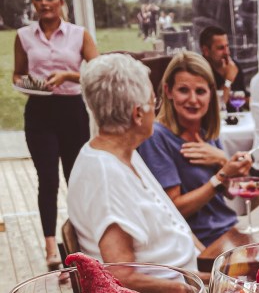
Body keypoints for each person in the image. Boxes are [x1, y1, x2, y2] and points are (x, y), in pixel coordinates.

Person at [67, 54, 198, 269]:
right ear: (138, 114)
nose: (155, 111)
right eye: (154, 103)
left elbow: (174, 224)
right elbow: (121, 272)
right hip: (173, 289)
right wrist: (195, 284)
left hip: (189, 275)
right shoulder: (106, 175)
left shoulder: (123, 152)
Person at [12, 0, 99, 270]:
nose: (44, 3)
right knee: (47, 180)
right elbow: (17, 74)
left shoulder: (79, 34)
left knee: (76, 178)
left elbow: (98, 70)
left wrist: (67, 76)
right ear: (33, 2)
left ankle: (80, 242)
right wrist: (30, 83)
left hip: (72, 110)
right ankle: (51, 246)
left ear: (61, 1)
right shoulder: (24, 36)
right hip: (39, 111)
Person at [137, 52, 252, 249]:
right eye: (183, 90)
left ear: (211, 93)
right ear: (168, 91)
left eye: (200, 91)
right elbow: (173, 210)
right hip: (199, 244)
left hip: (229, 230)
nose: (193, 100)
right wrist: (221, 176)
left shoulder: (206, 131)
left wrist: (224, 161)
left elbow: (231, 194)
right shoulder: (157, 136)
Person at [199, 25, 248, 106]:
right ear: (206, 51)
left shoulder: (234, 66)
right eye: (221, 48)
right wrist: (228, 80)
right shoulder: (199, 71)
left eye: (227, 46)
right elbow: (217, 106)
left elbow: (243, 97)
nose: (227, 52)